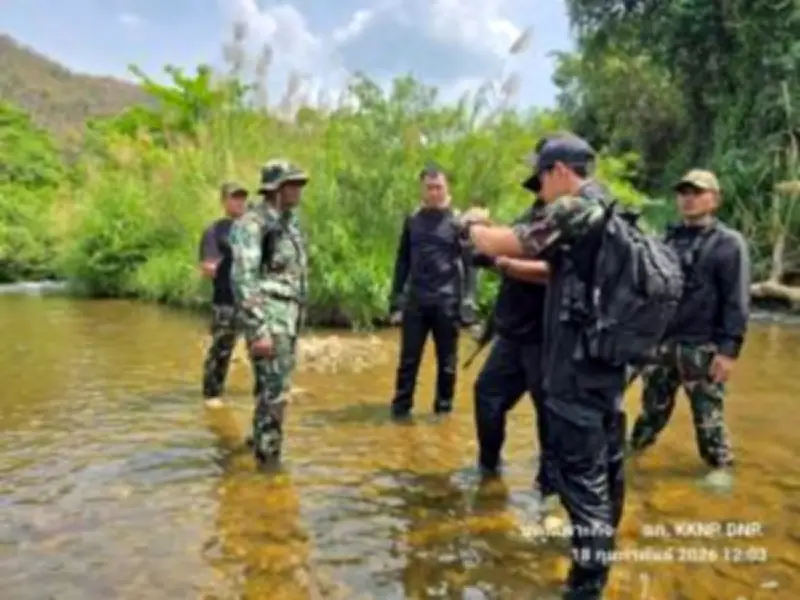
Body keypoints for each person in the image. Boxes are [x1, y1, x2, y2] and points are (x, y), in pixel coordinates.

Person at [458, 134, 627, 600]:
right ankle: (592, 568)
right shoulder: (610, 211)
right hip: (600, 359)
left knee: (585, 481)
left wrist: (471, 226)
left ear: (557, 171)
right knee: (604, 472)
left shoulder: (577, 209)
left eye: (543, 178)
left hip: (573, 362)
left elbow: (514, 244)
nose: (540, 191)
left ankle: (587, 585)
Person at [629, 169, 750, 489]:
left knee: (708, 418)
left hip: (702, 347)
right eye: (683, 192)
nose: (688, 198)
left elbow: (736, 301)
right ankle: (632, 457)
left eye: (696, 192)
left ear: (715, 199)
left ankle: (721, 467)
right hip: (661, 344)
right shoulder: (666, 239)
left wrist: (728, 351)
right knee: (651, 410)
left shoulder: (730, 244)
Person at [471, 199, 556, 511]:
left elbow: (551, 271)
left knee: (549, 414)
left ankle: (550, 485)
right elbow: (490, 253)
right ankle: (488, 468)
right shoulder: (528, 215)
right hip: (511, 336)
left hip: (546, 339)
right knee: (486, 396)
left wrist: (504, 261)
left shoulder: (568, 218)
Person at [229, 160, 309, 465]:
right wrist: (258, 329)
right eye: (293, 184)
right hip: (270, 321)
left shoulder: (288, 223)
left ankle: (260, 444)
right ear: (276, 189)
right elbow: (243, 279)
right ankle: (269, 467)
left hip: (286, 319)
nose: (299, 190)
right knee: (275, 395)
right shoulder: (253, 224)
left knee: (269, 389)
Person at [387, 164, 477, 420]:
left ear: (446, 188)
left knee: (447, 362)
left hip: (447, 300)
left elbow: (470, 264)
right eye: (430, 188)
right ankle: (400, 409)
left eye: (439, 187)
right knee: (408, 360)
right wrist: (395, 298)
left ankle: (443, 411)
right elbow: (402, 260)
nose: (434, 192)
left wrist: (469, 299)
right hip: (416, 300)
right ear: (422, 189)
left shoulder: (458, 222)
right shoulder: (413, 220)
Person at [199, 181, 249, 409]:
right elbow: (207, 268)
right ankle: (212, 394)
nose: (239, 201)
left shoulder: (253, 229)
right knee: (221, 350)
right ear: (224, 201)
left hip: (253, 300)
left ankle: (271, 392)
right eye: (234, 197)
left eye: (242, 197)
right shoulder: (214, 231)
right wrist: (228, 261)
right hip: (226, 300)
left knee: (265, 347)